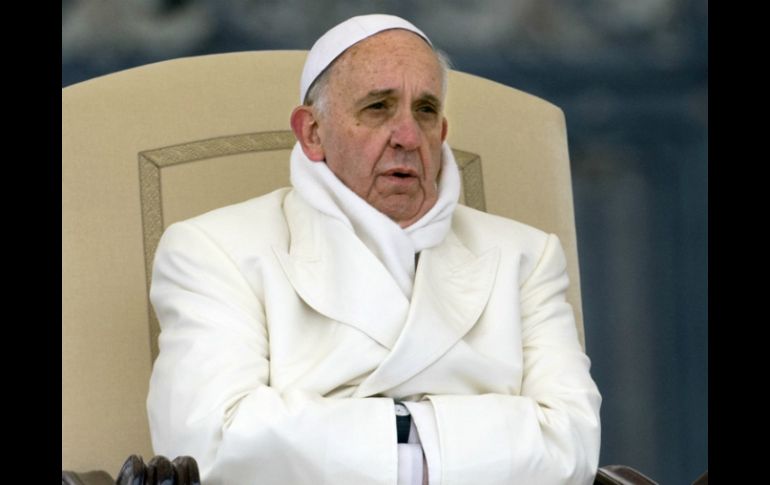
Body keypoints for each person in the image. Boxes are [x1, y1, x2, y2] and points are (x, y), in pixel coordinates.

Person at [147, 13, 601, 485]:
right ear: (312, 133)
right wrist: (451, 442)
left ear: (442, 132)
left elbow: (573, 443)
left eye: (425, 110)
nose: (408, 136)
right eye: (378, 107)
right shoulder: (214, 250)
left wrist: (356, 437)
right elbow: (211, 441)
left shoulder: (526, 257)